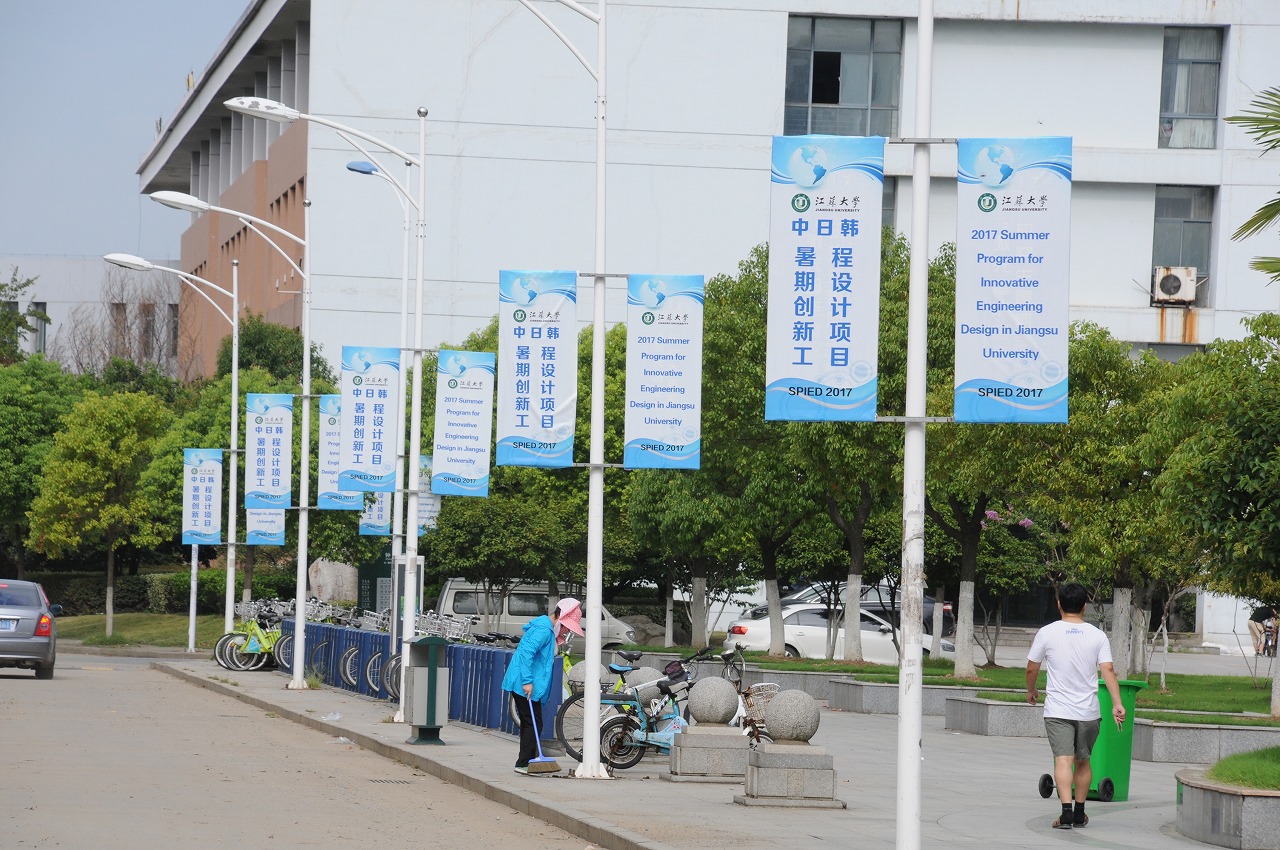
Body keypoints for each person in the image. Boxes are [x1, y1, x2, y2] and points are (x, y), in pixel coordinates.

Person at [1025, 583, 1124, 830]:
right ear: (1084, 606)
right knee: (1083, 762)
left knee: (1063, 760)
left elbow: (1031, 668)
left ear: (1059, 604)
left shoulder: (1047, 633)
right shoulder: (1097, 635)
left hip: (1058, 711)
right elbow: (1108, 670)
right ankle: (1080, 813)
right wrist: (1117, 703)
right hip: (1088, 712)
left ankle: (1066, 813)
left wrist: (1031, 690)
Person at [501, 596, 584, 774]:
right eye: (567, 626)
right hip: (523, 682)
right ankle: (524, 763)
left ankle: (528, 760)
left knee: (531, 723)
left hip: (524, 681)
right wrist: (527, 682)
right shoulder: (544, 631)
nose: (566, 630)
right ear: (560, 617)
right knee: (533, 723)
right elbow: (526, 654)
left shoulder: (546, 628)